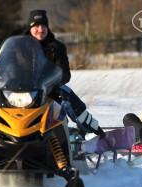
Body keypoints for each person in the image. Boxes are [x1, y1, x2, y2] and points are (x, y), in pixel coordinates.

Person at [23, 10, 105, 139]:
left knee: (66, 94)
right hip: (21, 95)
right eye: (36, 26)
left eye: (43, 26)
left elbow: (65, 74)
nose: (40, 29)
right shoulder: (18, 48)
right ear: (30, 28)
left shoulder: (57, 47)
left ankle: (91, 130)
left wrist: (50, 82)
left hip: (50, 92)